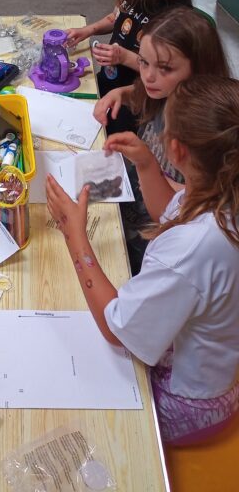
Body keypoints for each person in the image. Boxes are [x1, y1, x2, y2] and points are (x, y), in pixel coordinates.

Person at [46, 75, 239, 446]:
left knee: (74, 412)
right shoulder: (221, 191)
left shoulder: (190, 249)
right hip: (214, 368)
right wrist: (147, 165)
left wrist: (75, 235)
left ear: (176, 149)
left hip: (187, 404)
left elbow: (116, 329)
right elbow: (170, 210)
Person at [94, 6, 229, 274]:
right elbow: (142, 89)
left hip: (158, 238)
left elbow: (195, 205)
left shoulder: (206, 130)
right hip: (131, 202)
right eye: (143, 62)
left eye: (165, 68)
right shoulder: (162, 93)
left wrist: (147, 168)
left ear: (199, 70)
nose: (148, 76)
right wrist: (120, 92)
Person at [66, 0, 192, 133]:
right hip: (110, 80)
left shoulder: (175, 16)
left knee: (111, 138)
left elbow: (164, 71)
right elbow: (118, 17)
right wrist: (89, 30)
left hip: (138, 99)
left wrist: (124, 57)